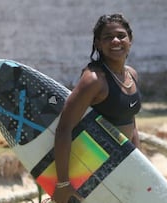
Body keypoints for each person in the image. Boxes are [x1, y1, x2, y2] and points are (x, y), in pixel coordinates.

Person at [52, 13, 141, 203]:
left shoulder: (131, 75)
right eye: (108, 37)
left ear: (130, 40)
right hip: (95, 171)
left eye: (121, 35)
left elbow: (132, 123)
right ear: (99, 44)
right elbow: (63, 129)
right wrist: (63, 183)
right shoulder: (94, 79)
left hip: (123, 168)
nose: (115, 41)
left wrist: (141, 166)